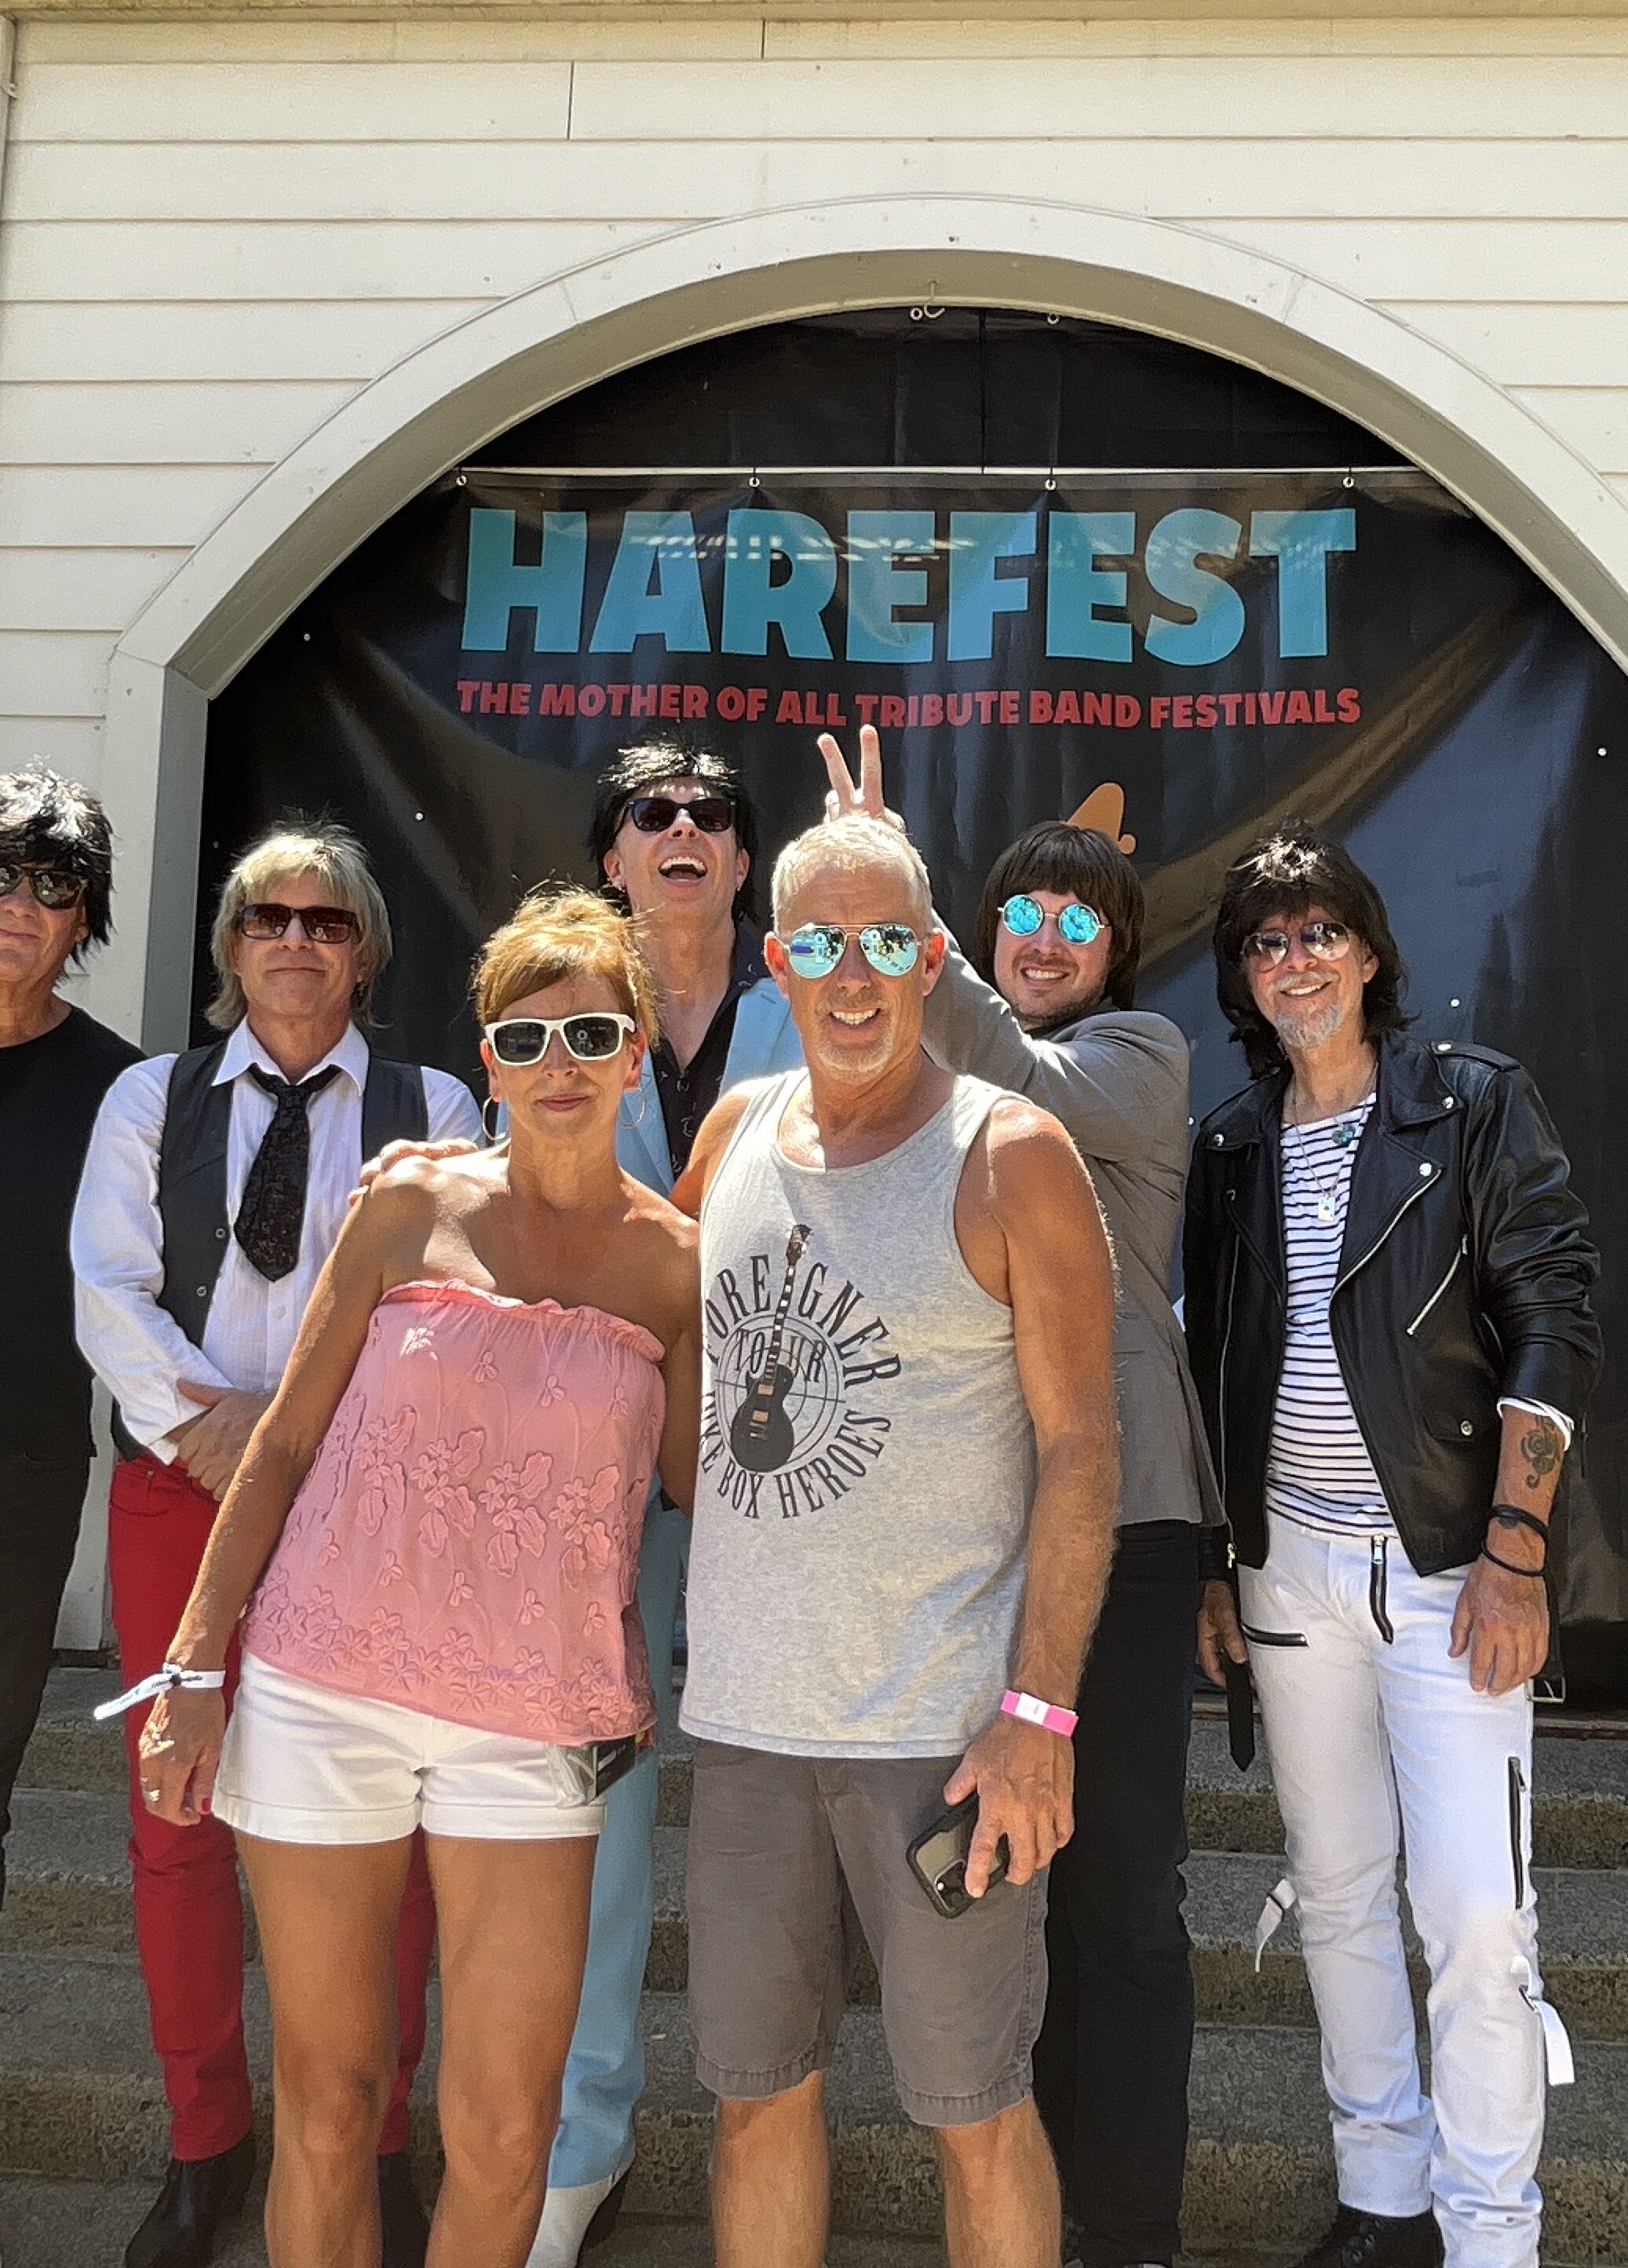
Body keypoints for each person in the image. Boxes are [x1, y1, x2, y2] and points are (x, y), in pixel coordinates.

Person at [130, 888, 702, 2268]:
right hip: (325, 1689)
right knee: (332, 2105)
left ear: (634, 1053)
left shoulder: (681, 1267)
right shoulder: (404, 1204)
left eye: (591, 1032)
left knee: (507, 2132)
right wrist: (193, 1667)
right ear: (487, 1059)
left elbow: (702, 1491)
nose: (560, 1062)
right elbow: (281, 1446)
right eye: (527, 1036)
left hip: (538, 1717)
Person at [670, 811, 1120, 2268]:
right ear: (775, 963)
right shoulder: (733, 1135)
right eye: (817, 944)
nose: (850, 977)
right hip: (748, 1725)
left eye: (881, 942)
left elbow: (1084, 1450)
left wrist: (1038, 1712)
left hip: (943, 1742)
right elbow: (658, 1347)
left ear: (932, 958)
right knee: (755, 2102)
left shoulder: (1014, 1154)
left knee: (975, 2113)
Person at [818, 725, 1241, 2268]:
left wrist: (902, 905)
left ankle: (1125, 2232)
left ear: (1117, 949)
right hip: (970, 1538)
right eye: (1024, 912)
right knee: (1007, 1883)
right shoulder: (923, 1085)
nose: (1048, 935)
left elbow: (1022, 1075)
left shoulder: (1135, 1059)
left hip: (1121, 1533)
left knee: (1119, 1887)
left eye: (1081, 916)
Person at [1182, 820, 1601, 2268]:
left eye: (1319, 933)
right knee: (1340, 1893)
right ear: (1244, 979)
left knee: (1477, 1917)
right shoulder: (1230, 1146)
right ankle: (1385, 2197)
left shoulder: (1471, 1105)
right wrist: (1218, 1560)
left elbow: (1555, 1315)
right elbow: (1212, 1362)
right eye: (1266, 943)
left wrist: (1517, 1549)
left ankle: (1493, 2234)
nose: (1295, 961)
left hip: (1451, 1573)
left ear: (1367, 953)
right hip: (1288, 1576)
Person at [72, 822, 480, 2268]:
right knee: (176, 1824)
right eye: (267, 918)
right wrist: (228, 1435)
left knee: (393, 1832)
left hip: (366, 1503)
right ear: (231, 946)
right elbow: (109, 1292)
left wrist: (309, 1441)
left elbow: (448, 1306)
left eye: (326, 919)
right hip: (181, 1492)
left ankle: (372, 2136)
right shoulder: (149, 1097)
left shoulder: (437, 1105)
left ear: (365, 952)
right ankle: (207, 2141)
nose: (296, 939)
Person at [524, 732, 799, 2266]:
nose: (683, 827)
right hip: (601, 1488)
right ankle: (582, 2142)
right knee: (601, 1821)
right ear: (613, 858)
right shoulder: (563, 1017)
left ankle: (792, 2134)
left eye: (711, 813)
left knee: (788, 1825)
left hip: (796, 1484)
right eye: (652, 811)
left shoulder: (816, 1005)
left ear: (745, 862)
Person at [0, 767, 138, 1912]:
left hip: (27, 1472)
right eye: (1, 876)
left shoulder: (123, 1090)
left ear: (82, 917)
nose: (20, 905)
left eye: (51, 884)